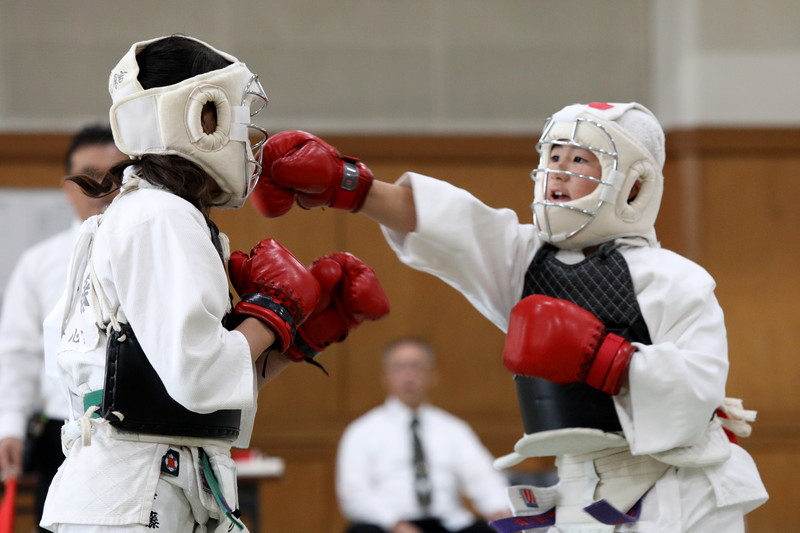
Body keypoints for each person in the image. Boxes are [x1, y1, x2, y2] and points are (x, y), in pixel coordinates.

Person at [248, 102, 769, 532]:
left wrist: (606, 357)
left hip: (680, 494)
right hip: (581, 490)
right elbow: (457, 227)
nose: (559, 173)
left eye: (581, 160)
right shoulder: (529, 258)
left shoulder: (676, 279)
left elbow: (699, 386)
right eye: (554, 157)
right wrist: (347, 185)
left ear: (632, 185)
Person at [38, 34, 388, 533]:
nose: (248, 133)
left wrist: (293, 339)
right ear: (203, 115)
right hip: (138, 497)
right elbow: (200, 376)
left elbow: (188, 393)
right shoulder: (159, 216)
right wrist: (275, 309)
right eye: (239, 113)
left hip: (141, 491)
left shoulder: (147, 213)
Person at [0, 125, 126, 531]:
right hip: (64, 430)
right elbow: (17, 352)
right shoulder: (39, 264)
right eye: (89, 174)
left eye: (118, 175)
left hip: (140, 431)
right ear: (68, 186)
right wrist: (10, 426)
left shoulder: (157, 251)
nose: (103, 187)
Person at [336, 336, 510, 533]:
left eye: (417, 367)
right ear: (385, 376)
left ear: (433, 375)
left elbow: (482, 476)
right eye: (399, 367)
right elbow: (354, 494)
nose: (408, 375)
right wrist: (395, 524)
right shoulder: (361, 431)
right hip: (390, 526)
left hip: (447, 524)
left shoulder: (454, 429)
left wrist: (497, 508)